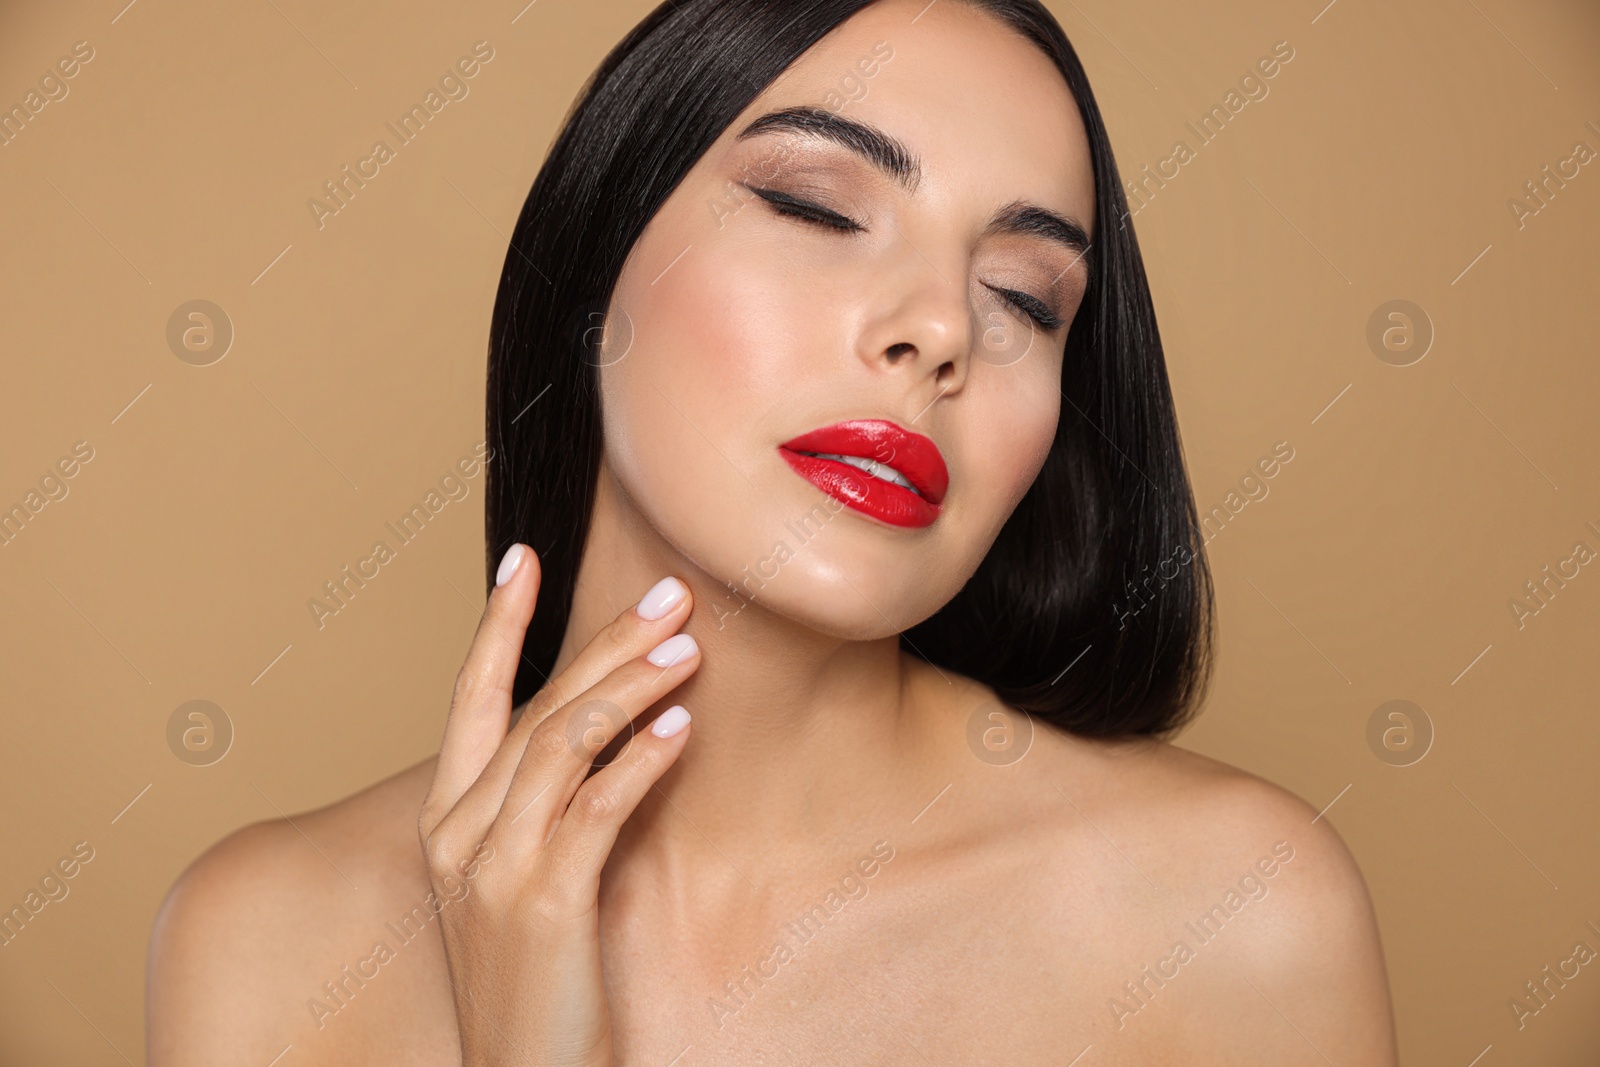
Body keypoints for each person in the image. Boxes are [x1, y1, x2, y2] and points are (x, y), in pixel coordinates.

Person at [147, 0, 1399, 1062]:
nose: (940, 330)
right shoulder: (263, 942)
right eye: (815, 209)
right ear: (594, 266)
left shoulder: (1234, 914)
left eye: (1021, 295)